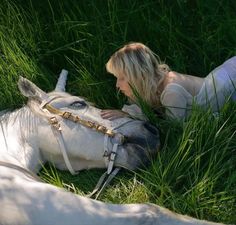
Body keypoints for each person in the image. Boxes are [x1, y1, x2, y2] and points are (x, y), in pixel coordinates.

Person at [101, 42, 236, 120]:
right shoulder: (155, 85)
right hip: (224, 76)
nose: (117, 85)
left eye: (122, 78)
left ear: (140, 76)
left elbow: (173, 129)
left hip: (230, 83)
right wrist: (127, 113)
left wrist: (130, 116)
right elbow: (149, 109)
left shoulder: (172, 92)